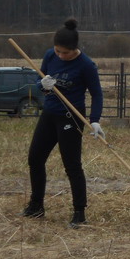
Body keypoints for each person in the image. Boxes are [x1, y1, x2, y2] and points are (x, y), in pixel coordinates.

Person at [21, 18, 104, 228]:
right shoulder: (50, 55)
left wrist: (94, 121)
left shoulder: (86, 65)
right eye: (57, 51)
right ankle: (36, 206)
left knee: (72, 165)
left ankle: (79, 213)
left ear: (75, 49)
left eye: (64, 52)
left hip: (71, 117)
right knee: (35, 158)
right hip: (49, 114)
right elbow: (38, 80)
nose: (60, 55)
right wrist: (43, 85)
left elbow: (97, 94)